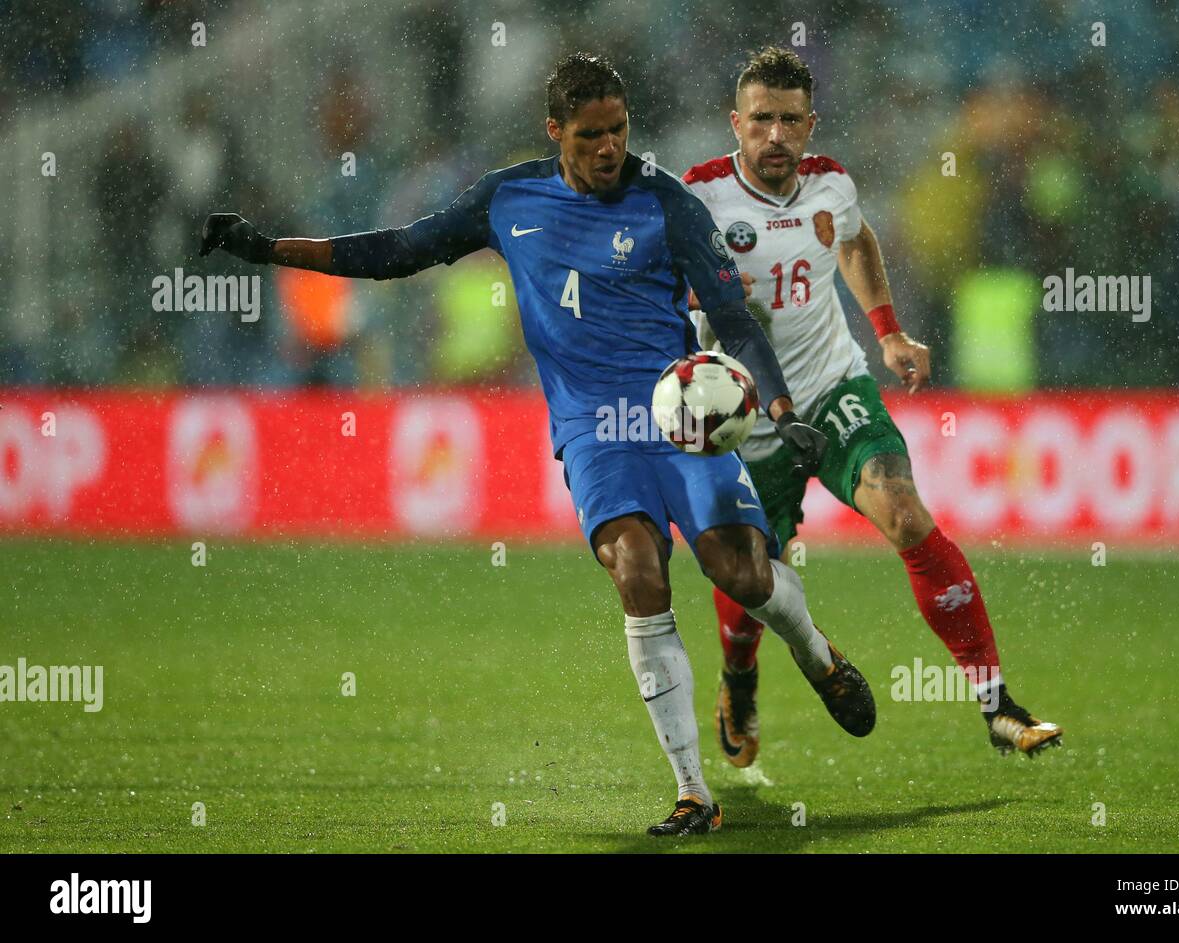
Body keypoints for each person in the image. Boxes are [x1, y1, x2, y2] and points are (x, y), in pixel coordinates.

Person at [199, 53, 875, 836]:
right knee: (637, 570)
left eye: (619, 130)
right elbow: (397, 250)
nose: (609, 147)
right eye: (590, 134)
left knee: (744, 572)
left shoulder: (668, 202)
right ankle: (693, 791)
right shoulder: (508, 198)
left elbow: (731, 316)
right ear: (555, 131)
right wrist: (269, 248)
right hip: (593, 431)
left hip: (681, 416)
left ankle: (818, 654)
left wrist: (782, 405)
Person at [684, 47, 1061, 768]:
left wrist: (887, 332)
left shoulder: (832, 185)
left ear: (810, 123)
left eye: (790, 121)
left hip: (831, 391)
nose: (775, 136)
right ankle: (738, 677)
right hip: (743, 422)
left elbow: (856, 241)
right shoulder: (698, 196)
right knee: (755, 580)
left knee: (903, 508)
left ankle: (996, 702)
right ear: (736, 122)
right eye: (760, 119)